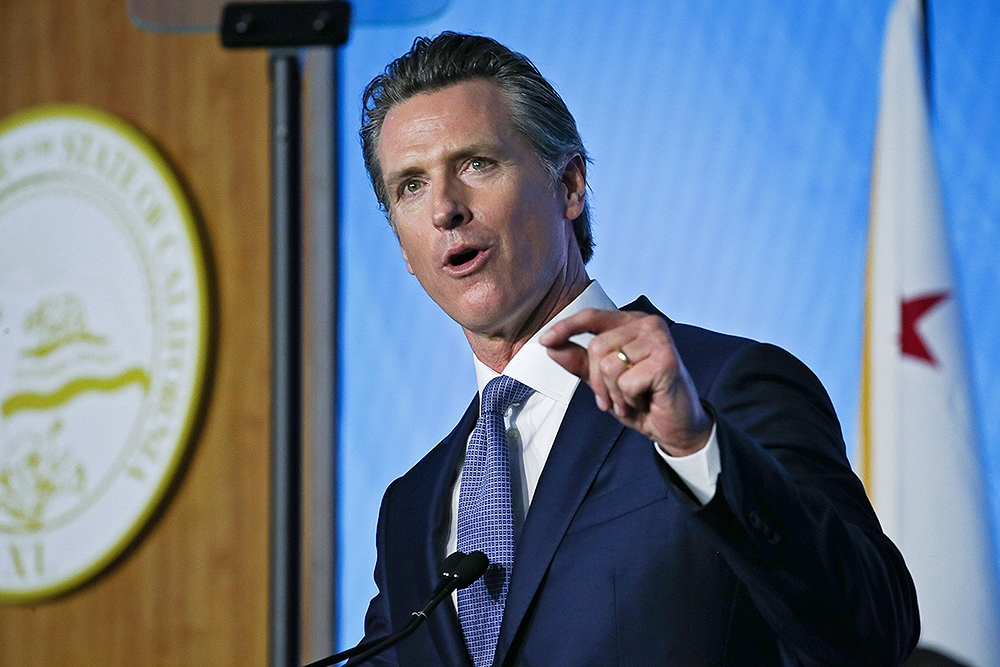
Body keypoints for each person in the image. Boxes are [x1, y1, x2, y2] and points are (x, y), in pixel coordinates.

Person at [352, 31, 919, 667]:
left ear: (570, 185)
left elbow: (872, 634)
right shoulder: (411, 506)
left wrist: (696, 448)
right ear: (402, 249)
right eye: (410, 185)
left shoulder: (721, 391)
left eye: (476, 164)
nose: (444, 209)